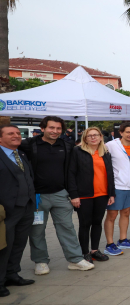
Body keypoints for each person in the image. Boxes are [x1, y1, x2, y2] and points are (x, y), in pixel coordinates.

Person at [20, 116, 92, 274]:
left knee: (67, 228)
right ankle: (40, 261)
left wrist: (73, 194)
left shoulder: (66, 145)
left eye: (58, 128)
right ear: (43, 128)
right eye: (51, 128)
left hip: (60, 194)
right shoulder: (29, 144)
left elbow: (71, 171)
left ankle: (75, 259)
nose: (55, 131)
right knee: (37, 231)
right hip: (37, 197)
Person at [0, 125, 38, 297]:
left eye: (17, 133)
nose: (16, 136)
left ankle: (12, 274)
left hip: (26, 207)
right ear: (0, 138)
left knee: (19, 243)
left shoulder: (21, 154)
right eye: (10, 133)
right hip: (6, 210)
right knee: (4, 246)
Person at [68, 127, 116, 262]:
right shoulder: (77, 151)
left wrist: (111, 194)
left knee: (97, 222)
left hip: (102, 194)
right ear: (85, 138)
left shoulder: (105, 152)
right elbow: (71, 174)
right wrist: (74, 195)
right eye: (89, 136)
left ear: (101, 137)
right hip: (84, 195)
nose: (93, 137)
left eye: (96, 135)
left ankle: (95, 250)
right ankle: (84, 252)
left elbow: (110, 174)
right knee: (85, 224)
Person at [103, 122, 130, 256]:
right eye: (127, 132)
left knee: (126, 213)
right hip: (115, 186)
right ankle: (109, 244)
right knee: (112, 215)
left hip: (129, 185)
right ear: (121, 132)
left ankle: (123, 240)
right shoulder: (111, 145)